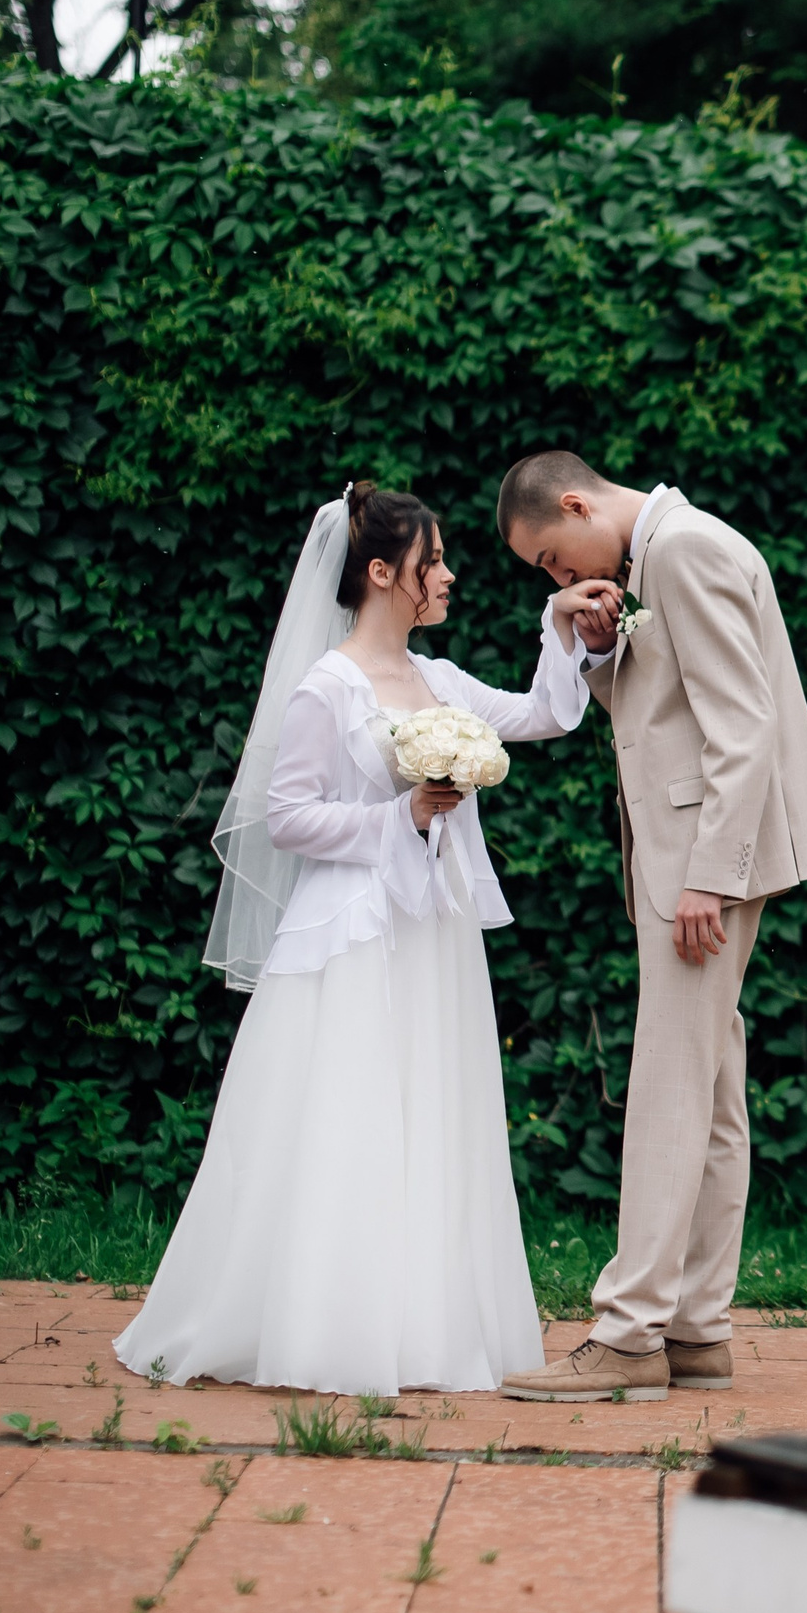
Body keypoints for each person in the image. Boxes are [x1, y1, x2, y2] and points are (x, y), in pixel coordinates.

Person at [115, 482, 612, 1397]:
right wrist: (401, 815)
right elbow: (288, 816)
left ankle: (421, 1327)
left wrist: (562, 623)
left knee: (430, 1117)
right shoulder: (327, 687)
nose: (450, 576)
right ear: (383, 573)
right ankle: (322, 1326)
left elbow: (539, 715)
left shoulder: (439, 681)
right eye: (434, 564)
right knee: (343, 1122)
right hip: (351, 937)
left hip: (433, 935)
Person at [493, 450, 807, 1402]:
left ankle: (629, 1329)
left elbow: (745, 726)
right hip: (692, 854)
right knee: (714, 1084)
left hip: (701, 861)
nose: (561, 579)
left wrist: (707, 880)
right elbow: (660, 709)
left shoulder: (683, 550)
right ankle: (696, 1328)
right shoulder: (661, 558)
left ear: (575, 503)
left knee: (668, 1082)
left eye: (553, 561)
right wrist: (602, 644)